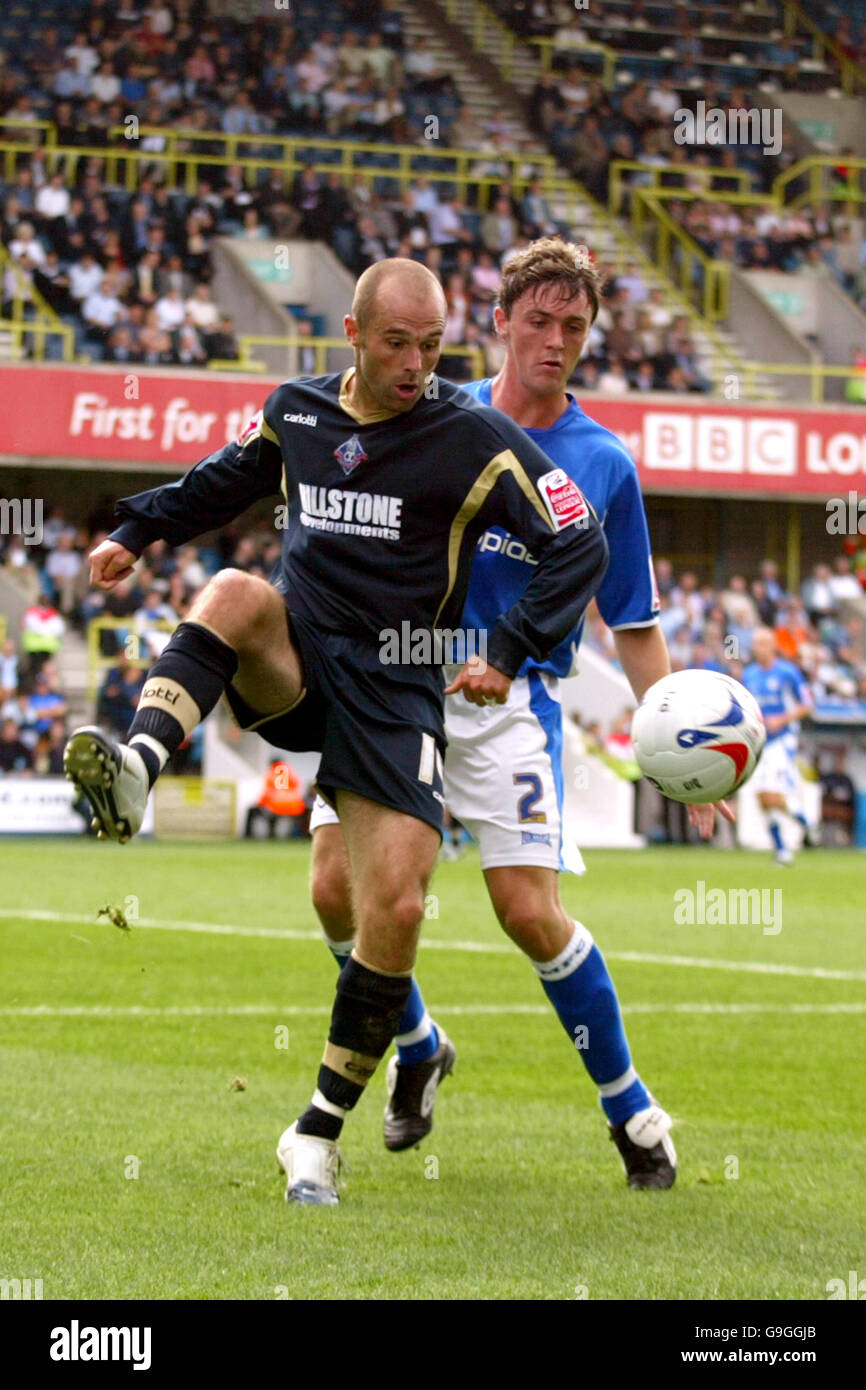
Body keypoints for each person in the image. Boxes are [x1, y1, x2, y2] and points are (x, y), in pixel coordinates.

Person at [64, 257, 609, 1206]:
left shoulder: (474, 434)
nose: (416, 363)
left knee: (388, 909)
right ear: (353, 335)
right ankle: (138, 767)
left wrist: (510, 649)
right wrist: (134, 531)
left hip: (399, 688)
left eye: (434, 345)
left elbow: (579, 540)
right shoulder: (296, 411)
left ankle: (313, 1134)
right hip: (305, 659)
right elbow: (219, 482)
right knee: (235, 592)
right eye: (398, 343)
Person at [308, 239, 733, 1190]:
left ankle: (632, 1113)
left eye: (573, 327)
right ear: (497, 322)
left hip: (511, 707)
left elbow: (631, 624)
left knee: (529, 912)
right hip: (396, 689)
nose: (554, 341)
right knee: (337, 890)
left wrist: (680, 754)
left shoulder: (603, 466)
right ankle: (416, 1044)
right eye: (536, 321)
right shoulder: (432, 414)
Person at [741, 627, 819, 866]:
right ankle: (786, 846)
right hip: (760, 742)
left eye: (763, 643)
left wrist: (782, 719)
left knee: (772, 795)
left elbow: (808, 704)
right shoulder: (750, 674)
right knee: (762, 798)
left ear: (773, 646)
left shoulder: (788, 672)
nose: (758, 648)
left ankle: (803, 828)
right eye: (755, 643)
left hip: (782, 741)